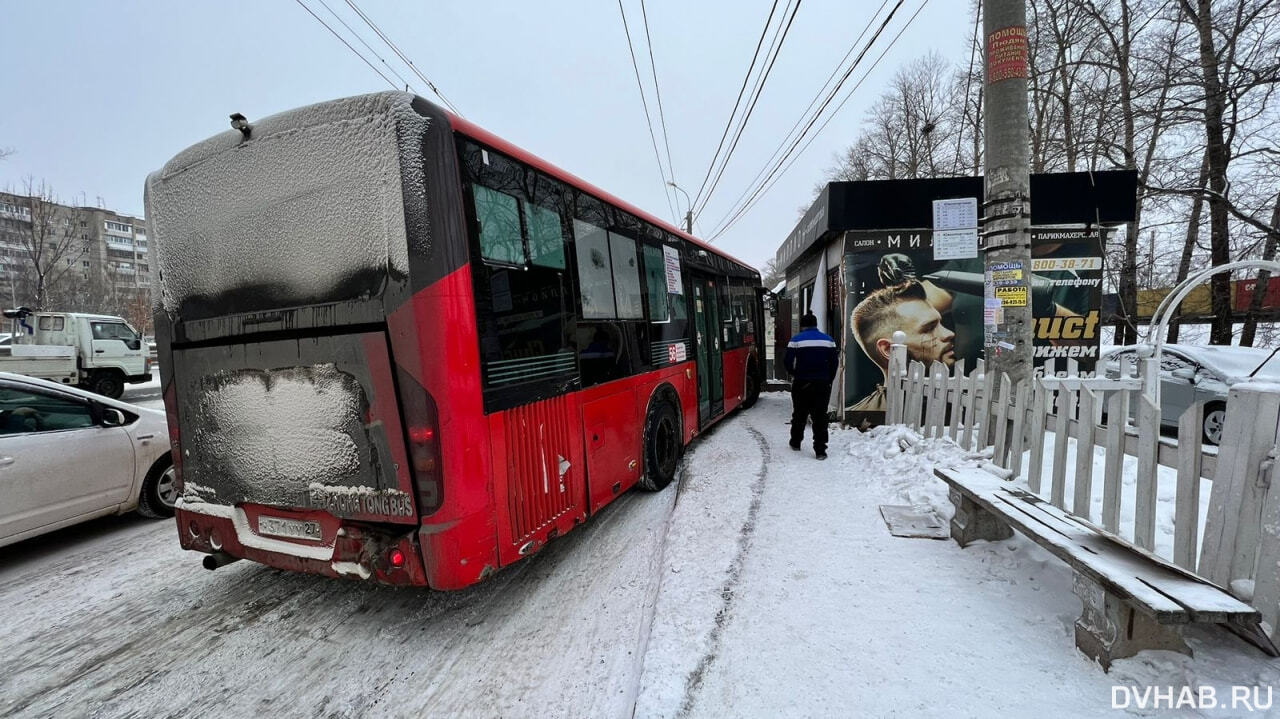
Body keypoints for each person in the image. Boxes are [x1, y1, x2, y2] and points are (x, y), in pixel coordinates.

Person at [849, 280, 956, 413]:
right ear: (889, 349)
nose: (949, 334)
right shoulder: (862, 421)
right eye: (929, 329)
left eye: (941, 324)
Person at [784, 312, 839, 459]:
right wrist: (828, 379)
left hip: (801, 383)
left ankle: (796, 442)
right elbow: (834, 363)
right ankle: (820, 450)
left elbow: (787, 362)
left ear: (802, 325)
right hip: (822, 384)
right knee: (820, 416)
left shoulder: (795, 340)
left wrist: (795, 373)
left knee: (799, 413)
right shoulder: (829, 341)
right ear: (816, 325)